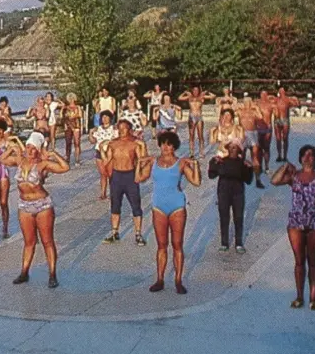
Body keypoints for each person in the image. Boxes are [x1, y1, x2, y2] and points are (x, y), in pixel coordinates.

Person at [271, 146, 315, 310]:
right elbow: (275, 180)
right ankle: (299, 296)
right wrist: (285, 166)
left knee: (313, 260)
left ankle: (313, 298)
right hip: (296, 221)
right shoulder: (294, 176)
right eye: (305, 155)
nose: (308, 157)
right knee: (299, 261)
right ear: (300, 158)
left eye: (312, 155)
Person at [0, 132, 69, 288]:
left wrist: (52, 154)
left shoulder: (42, 164)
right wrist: (11, 148)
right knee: (29, 242)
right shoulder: (19, 161)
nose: (30, 150)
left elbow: (65, 167)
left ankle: (52, 274)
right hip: (24, 205)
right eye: (28, 147)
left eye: (33, 148)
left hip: (42, 205)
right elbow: (2, 160)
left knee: (47, 241)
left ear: (38, 150)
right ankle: (24, 272)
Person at [136, 132, 201, 294]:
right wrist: (139, 163)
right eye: (163, 144)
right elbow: (138, 179)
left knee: (177, 244)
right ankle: (160, 279)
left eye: (169, 144)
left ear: (174, 146)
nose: (165, 148)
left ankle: (178, 280)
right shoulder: (153, 162)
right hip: (158, 206)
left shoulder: (181, 163)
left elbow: (196, 182)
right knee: (161, 245)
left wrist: (195, 165)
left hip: (177, 205)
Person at [102, 120, 147, 245]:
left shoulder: (134, 144)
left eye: (124, 128)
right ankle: (114, 232)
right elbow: (106, 161)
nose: (121, 131)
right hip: (117, 176)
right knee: (115, 205)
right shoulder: (114, 143)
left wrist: (143, 146)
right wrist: (102, 149)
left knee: (136, 206)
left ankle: (138, 234)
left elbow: (143, 160)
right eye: (119, 128)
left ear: (129, 129)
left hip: (130, 176)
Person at [208, 140, 253, 253]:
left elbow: (248, 180)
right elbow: (211, 175)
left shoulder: (243, 163)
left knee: (238, 217)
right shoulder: (221, 161)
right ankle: (224, 243)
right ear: (227, 149)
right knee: (224, 217)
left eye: (235, 148)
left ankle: (238, 243)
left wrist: (250, 169)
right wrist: (213, 163)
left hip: (238, 193)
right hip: (223, 192)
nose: (232, 150)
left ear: (239, 150)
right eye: (231, 147)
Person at [178, 86, 216, 158]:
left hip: (199, 117)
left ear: (199, 91)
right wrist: (184, 93)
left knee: (200, 135)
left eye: (197, 90)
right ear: (192, 91)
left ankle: (201, 152)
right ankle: (192, 153)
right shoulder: (189, 96)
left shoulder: (201, 96)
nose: (195, 91)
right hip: (191, 117)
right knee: (191, 136)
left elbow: (213, 96)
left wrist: (207, 92)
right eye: (194, 90)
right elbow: (179, 98)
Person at [237, 94, 265, 188]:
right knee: (240, 156)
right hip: (243, 134)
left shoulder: (254, 112)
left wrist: (256, 107)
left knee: (255, 157)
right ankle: (239, 177)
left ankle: (257, 179)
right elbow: (231, 109)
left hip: (253, 133)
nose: (247, 104)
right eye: (245, 102)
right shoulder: (240, 111)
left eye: (249, 102)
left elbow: (260, 117)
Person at [88, 110, 117, 200]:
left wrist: (106, 142)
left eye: (106, 117)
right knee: (103, 174)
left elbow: (115, 141)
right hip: (99, 152)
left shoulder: (114, 129)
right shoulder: (98, 128)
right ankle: (103, 193)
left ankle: (113, 193)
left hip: (109, 152)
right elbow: (93, 141)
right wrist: (90, 133)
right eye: (103, 117)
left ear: (110, 118)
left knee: (110, 174)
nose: (104, 119)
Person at [273, 86, 301, 162]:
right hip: (277, 120)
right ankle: (279, 155)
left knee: (285, 139)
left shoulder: (288, 100)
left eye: (282, 91)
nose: (281, 92)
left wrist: (295, 99)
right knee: (278, 139)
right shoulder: (276, 99)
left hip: (285, 120)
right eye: (280, 90)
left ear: (284, 92)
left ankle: (284, 156)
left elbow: (297, 104)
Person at [256, 90, 276, 173]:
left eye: (265, 94)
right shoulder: (257, 104)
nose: (263, 96)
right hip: (259, 128)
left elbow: (277, 114)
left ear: (267, 95)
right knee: (259, 148)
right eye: (262, 94)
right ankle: (260, 166)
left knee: (266, 148)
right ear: (260, 95)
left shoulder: (271, 104)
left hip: (268, 128)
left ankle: (267, 167)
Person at [62, 92, 83, 166]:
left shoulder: (78, 107)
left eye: (72, 98)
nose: (71, 100)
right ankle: (67, 158)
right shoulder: (66, 107)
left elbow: (80, 115)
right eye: (70, 99)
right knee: (68, 143)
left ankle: (77, 159)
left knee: (77, 143)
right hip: (68, 125)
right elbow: (63, 117)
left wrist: (73, 115)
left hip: (76, 125)